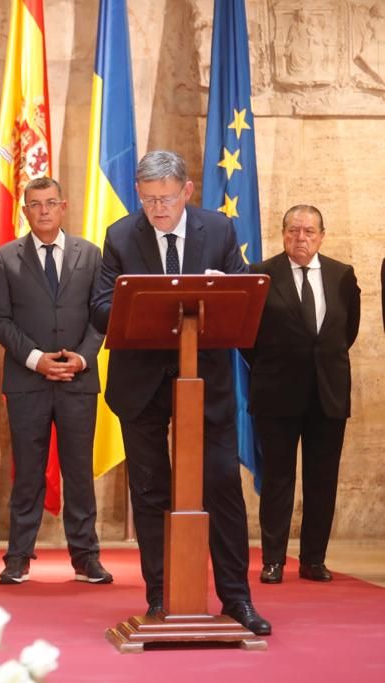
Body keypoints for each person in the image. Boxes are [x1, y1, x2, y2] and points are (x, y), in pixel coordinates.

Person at [90, 150, 271, 636]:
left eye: (166, 199)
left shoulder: (219, 230)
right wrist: (139, 300)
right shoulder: (121, 235)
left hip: (204, 385)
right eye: (148, 200)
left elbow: (245, 291)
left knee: (221, 488)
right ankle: (160, 596)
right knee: (151, 493)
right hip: (142, 385)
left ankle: (236, 598)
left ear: (187, 191)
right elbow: (101, 307)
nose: (158, 209)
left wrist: (222, 289)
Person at [0, 177, 112, 586]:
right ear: (24, 211)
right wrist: (37, 360)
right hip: (28, 381)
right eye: (35, 204)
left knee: (78, 471)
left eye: (50, 203)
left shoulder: (91, 255)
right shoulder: (6, 257)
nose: (43, 210)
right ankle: (18, 557)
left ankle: (86, 557)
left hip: (78, 379)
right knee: (28, 472)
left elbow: (103, 315)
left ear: (65, 206)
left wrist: (82, 356)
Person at [246, 205, 360, 584]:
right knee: (278, 479)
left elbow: (347, 331)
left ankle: (314, 559)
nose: (301, 238)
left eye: (309, 232)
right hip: (277, 393)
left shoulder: (342, 275)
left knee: (322, 479)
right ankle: (274, 560)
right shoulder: (261, 274)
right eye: (294, 231)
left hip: (327, 393)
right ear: (283, 234)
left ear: (322, 235)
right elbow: (248, 338)